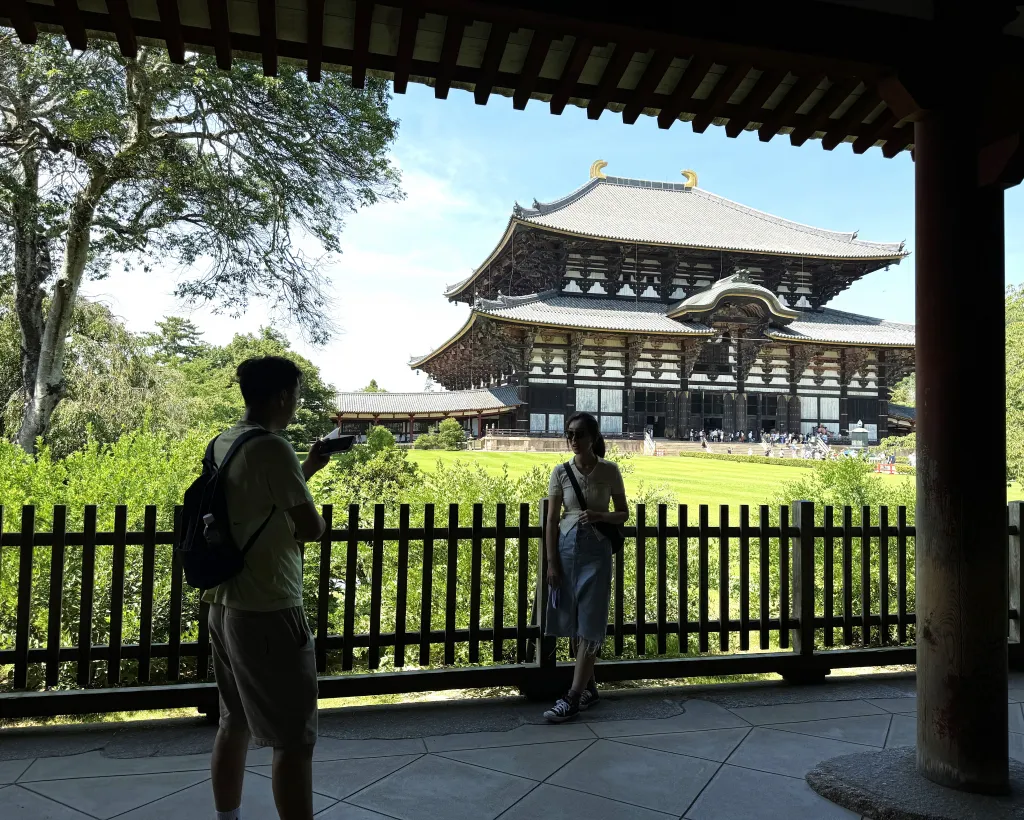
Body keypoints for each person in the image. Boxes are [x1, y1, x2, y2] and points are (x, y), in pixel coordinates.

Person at [204, 356, 331, 820]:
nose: (297, 402)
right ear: (282, 396)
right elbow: (310, 527)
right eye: (296, 393)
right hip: (268, 606)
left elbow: (254, 502)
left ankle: (227, 818)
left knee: (233, 721)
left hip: (223, 602)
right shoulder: (273, 447)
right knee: (295, 738)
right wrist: (317, 517)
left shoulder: (225, 441)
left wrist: (309, 467)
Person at [543, 412, 628, 723]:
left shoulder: (610, 471)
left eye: (579, 434)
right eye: (570, 434)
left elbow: (623, 513)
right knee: (573, 620)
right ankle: (590, 689)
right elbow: (552, 520)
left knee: (591, 622)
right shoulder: (560, 472)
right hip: (566, 551)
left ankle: (573, 697)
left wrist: (599, 516)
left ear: (593, 437)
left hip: (596, 552)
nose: (573, 440)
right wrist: (552, 564)